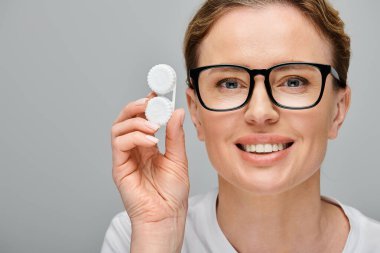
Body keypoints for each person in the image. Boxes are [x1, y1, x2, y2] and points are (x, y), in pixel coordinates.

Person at [101, 0, 380, 252]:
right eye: (230, 84)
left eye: (293, 81)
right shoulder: (135, 236)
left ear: (337, 111)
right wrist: (157, 237)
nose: (260, 112)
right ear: (196, 112)